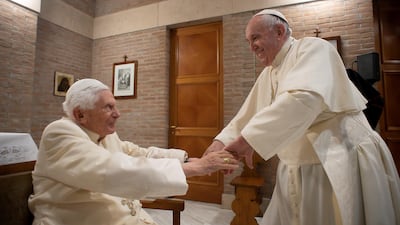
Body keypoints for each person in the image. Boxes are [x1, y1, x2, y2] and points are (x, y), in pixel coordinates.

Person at [204, 9, 400, 225]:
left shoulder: (314, 49)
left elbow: (304, 99)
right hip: (295, 168)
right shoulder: (269, 72)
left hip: (336, 159)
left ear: (279, 31)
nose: (252, 47)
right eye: (249, 40)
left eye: (256, 37)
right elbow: (248, 114)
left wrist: (246, 142)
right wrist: (220, 143)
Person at [28, 78, 239, 225]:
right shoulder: (59, 133)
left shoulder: (105, 135)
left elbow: (138, 153)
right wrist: (195, 168)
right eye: (108, 107)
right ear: (80, 114)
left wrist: (188, 158)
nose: (117, 114)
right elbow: (112, 170)